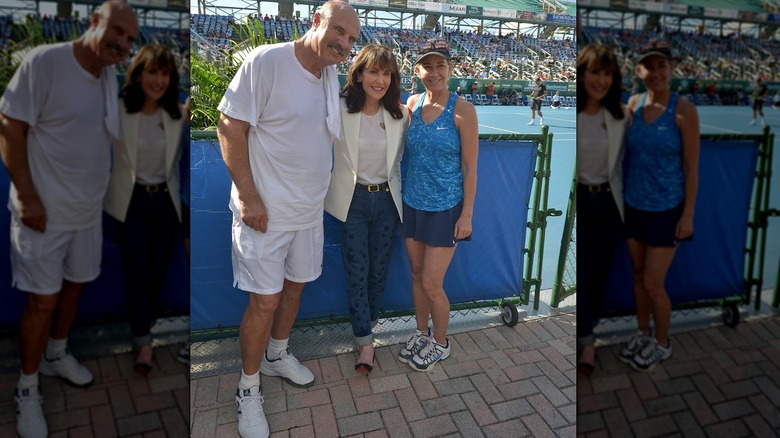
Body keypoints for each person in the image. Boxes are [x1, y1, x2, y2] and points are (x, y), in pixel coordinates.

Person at [215, 1, 359, 436]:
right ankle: (248, 387)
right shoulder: (267, 62)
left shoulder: (328, 74)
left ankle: (277, 355)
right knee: (264, 300)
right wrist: (248, 194)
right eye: (339, 31)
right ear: (315, 21)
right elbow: (228, 125)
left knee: (294, 288)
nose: (345, 44)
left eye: (352, 38)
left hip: (308, 213)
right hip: (265, 214)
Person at [0, 1, 138, 437]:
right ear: (94, 22)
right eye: (117, 31)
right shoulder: (45, 63)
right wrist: (27, 197)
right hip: (42, 215)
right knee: (43, 299)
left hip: (86, 214)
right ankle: (26, 387)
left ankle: (57, 354)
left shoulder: (107, 74)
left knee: (75, 287)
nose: (124, 43)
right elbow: (9, 126)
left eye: (131, 38)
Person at [323, 44, 407, 375]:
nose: (380, 79)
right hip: (352, 202)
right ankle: (365, 343)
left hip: (387, 202)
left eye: (387, 73)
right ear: (359, 74)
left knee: (378, 273)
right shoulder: (339, 107)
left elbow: (399, 164)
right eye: (373, 71)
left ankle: (367, 323)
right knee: (357, 272)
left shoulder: (401, 114)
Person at [103, 44, 185, 376]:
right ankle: (143, 341)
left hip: (165, 203)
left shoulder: (177, 114)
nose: (159, 80)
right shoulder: (118, 109)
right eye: (152, 71)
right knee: (136, 271)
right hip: (131, 203)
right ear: (138, 74)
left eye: (165, 73)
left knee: (157, 271)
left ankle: (144, 327)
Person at [398, 39, 478, 372]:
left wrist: (466, 215)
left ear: (450, 70)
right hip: (412, 205)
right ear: (417, 72)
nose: (434, 72)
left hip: (446, 209)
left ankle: (441, 343)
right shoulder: (411, 104)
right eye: (427, 66)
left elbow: (470, 167)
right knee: (416, 276)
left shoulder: (463, 110)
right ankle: (421, 332)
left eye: (440, 66)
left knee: (432, 283)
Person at [622, 39, 699, 372]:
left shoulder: (684, 110)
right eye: (648, 66)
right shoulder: (633, 104)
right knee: (638, 276)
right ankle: (642, 332)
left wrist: (688, 215)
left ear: (671, 69)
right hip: (633, 206)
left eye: (661, 66)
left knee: (654, 283)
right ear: (640, 71)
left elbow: (692, 168)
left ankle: (663, 343)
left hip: (667, 210)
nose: (655, 72)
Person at [575, 44, 628, 376]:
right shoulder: (576, 114)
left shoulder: (622, 115)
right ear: (582, 74)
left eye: (608, 73)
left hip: (608, 203)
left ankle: (588, 330)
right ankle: (588, 342)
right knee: (582, 273)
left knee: (600, 273)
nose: (601, 79)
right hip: (582, 199)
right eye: (595, 71)